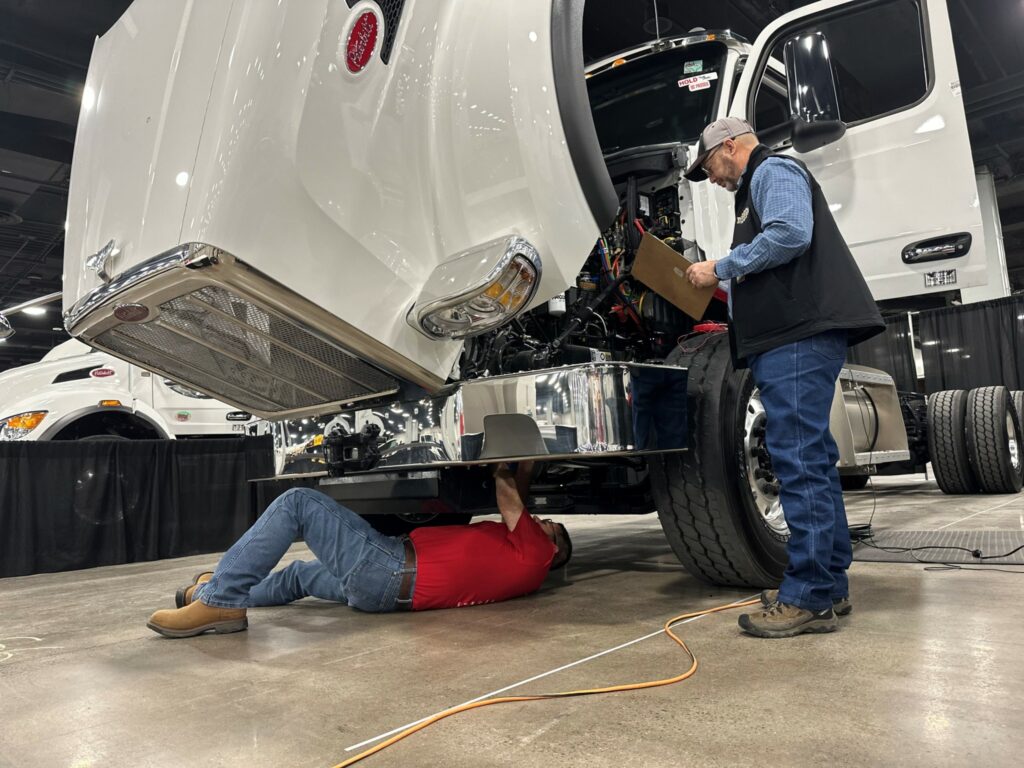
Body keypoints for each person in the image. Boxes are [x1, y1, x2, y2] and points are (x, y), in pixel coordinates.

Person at [682, 117, 884, 639]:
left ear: (730, 145)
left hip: (797, 336)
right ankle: (829, 587)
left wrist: (721, 267)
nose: (716, 178)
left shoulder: (773, 171)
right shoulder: (756, 185)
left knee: (798, 461)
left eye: (711, 166)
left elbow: (792, 234)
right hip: (792, 336)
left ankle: (810, 595)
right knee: (810, 459)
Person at [147, 462, 571, 638]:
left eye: (551, 526)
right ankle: (212, 593)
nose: (543, 522)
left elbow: (512, 501)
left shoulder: (537, 556)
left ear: (555, 549)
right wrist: (528, 470)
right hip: (383, 593)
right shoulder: (525, 558)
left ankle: (221, 601)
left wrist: (504, 460)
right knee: (299, 576)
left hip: (388, 568)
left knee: (299, 502)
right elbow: (522, 505)